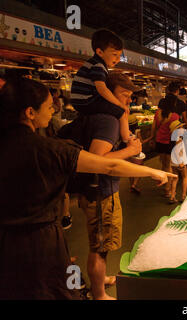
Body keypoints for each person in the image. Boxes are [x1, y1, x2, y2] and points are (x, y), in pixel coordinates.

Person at [0, 77, 176, 300]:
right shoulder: (50, 149)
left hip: (6, 245)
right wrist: (152, 171)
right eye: (48, 106)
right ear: (30, 112)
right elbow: (108, 165)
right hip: (42, 242)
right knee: (61, 290)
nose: (54, 108)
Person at [70, 29, 131, 144]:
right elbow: (102, 89)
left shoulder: (93, 63)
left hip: (81, 102)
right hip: (87, 101)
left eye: (119, 55)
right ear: (100, 52)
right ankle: (127, 139)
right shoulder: (98, 65)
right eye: (114, 55)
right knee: (121, 113)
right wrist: (119, 104)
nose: (117, 59)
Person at [150, 91, 180, 198]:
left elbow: (153, 128)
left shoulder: (157, 114)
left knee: (163, 164)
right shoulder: (175, 116)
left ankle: (165, 184)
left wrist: (152, 138)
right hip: (169, 143)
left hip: (160, 142)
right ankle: (168, 189)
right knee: (169, 166)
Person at [168, 120, 187, 204]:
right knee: (184, 177)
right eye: (181, 128)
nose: (183, 129)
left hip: (173, 161)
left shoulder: (172, 139)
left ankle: (172, 196)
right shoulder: (178, 140)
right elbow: (178, 151)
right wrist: (181, 163)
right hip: (180, 161)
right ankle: (183, 196)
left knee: (175, 179)